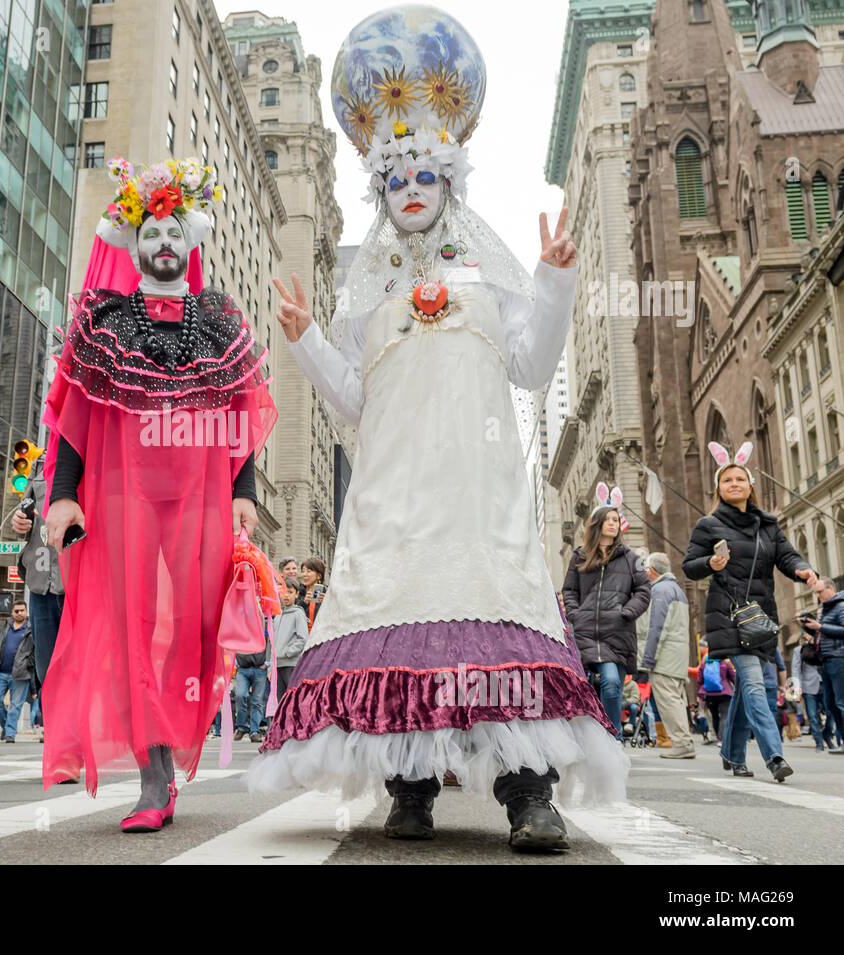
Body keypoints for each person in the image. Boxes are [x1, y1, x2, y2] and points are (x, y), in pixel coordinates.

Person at [247, 6, 627, 853]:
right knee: (404, 624)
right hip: (393, 495)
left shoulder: (490, 280)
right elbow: (354, 402)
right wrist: (306, 338)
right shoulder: (369, 298)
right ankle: (409, 790)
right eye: (395, 180)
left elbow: (530, 365)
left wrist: (556, 283)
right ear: (380, 191)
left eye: (425, 175)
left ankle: (530, 796)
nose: (411, 190)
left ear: (449, 180)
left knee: (491, 621)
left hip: (480, 495)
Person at [38, 153, 275, 833]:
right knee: (133, 623)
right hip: (124, 492)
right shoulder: (105, 323)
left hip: (200, 491)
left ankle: (174, 737)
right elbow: (77, 419)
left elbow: (237, 413)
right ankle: (152, 773)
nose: (164, 243)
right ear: (134, 244)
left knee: (196, 627)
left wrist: (242, 489)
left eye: (174, 232)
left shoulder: (219, 320)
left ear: (190, 241)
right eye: (152, 234)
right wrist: (63, 494)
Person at [682, 441, 816, 783]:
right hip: (728, 614)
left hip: (760, 615)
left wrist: (802, 570)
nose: (735, 485)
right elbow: (690, 567)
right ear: (719, 488)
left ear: (749, 486)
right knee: (756, 685)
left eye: (740, 479)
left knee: (746, 689)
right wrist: (711, 562)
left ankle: (732, 752)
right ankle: (774, 755)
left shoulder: (768, 524)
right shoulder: (707, 525)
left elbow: (786, 556)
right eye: (727, 481)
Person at [562, 484, 653, 740]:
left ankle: (611, 738)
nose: (614, 523)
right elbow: (569, 590)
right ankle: (600, 738)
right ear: (597, 523)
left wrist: (627, 612)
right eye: (609, 519)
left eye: (616, 519)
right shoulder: (580, 556)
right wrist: (576, 613)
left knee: (613, 684)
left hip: (618, 632)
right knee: (591, 685)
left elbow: (644, 590)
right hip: (586, 630)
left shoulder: (630, 558)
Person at [11, 456, 66, 727]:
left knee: (79, 668)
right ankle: (59, 744)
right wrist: (19, 521)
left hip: (79, 579)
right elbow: (26, 511)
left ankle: (76, 739)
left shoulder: (96, 446)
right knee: (47, 670)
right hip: (40, 581)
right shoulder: (41, 461)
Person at [636, 553, 695, 758]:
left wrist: (648, 659)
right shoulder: (675, 589)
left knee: (668, 701)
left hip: (665, 657)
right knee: (675, 700)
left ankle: (681, 744)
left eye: (646, 568)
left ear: (652, 570)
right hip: (676, 654)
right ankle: (684, 741)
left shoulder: (660, 590)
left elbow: (657, 627)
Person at [801, 575, 844, 753]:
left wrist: (820, 627)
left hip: (838, 658)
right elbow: (822, 634)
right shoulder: (825, 609)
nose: (818, 595)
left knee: (840, 702)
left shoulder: (840, 606)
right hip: (826, 660)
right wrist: (808, 626)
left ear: (830, 589)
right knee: (831, 704)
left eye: (820, 592)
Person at [0, 601, 35, 743]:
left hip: (21, 674)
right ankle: (5, 726)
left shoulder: (31, 629)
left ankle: (10, 734)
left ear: (26, 612)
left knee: (15, 705)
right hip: (0, 672)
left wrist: (29, 663)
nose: (19, 613)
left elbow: (36, 649)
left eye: (22, 610)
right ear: (12, 613)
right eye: (16, 611)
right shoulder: (4, 628)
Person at [233, 630, 273, 744]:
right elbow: (233, 640)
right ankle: (242, 726)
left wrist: (267, 663)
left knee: (257, 701)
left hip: (259, 668)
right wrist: (235, 662)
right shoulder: (240, 623)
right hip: (243, 668)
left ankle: (254, 731)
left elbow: (270, 642)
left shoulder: (263, 622)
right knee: (240, 695)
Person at [273, 578, 308, 697]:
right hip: (277, 666)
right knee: (280, 700)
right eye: (283, 592)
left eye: (290, 592)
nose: (286, 595)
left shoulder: (298, 613)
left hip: (291, 665)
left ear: (297, 594)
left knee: (292, 698)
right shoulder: (277, 616)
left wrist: (287, 653)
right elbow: (271, 642)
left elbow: (302, 638)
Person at [299, 557, 327, 631]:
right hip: (302, 636)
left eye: (309, 571)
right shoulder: (298, 592)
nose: (304, 574)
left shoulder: (327, 594)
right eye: (303, 571)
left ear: (319, 576)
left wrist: (326, 603)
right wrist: (304, 602)